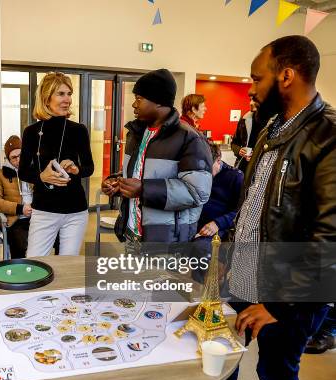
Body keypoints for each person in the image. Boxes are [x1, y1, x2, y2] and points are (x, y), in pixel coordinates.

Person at [205, 35, 335, 380]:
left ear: (287, 75)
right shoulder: (270, 128)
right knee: (221, 362)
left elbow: (328, 238)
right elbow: (251, 204)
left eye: (256, 78)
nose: (251, 89)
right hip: (243, 275)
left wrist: (279, 305)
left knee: (277, 375)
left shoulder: (328, 134)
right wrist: (229, 250)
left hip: (289, 295)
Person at [101, 69, 213, 254]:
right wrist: (117, 182)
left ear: (159, 101)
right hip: (132, 234)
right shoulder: (136, 133)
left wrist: (144, 189)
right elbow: (138, 173)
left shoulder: (190, 138)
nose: (134, 104)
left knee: (161, 283)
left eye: (139, 98)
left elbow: (197, 192)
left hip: (166, 241)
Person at [18, 72, 94, 257]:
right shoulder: (31, 132)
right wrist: (41, 176)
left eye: (69, 94)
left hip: (76, 211)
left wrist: (76, 169)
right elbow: (23, 172)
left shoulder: (79, 130)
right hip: (44, 210)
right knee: (35, 263)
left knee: (67, 268)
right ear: (46, 97)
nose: (67, 99)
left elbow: (89, 168)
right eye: (61, 94)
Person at [189, 142, 243, 283]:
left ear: (218, 160)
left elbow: (241, 211)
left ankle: (206, 291)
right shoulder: (195, 171)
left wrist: (218, 223)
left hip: (219, 227)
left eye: (207, 169)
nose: (203, 174)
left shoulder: (235, 177)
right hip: (194, 223)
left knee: (201, 249)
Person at [0, 135, 33, 258]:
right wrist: (20, 209)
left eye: (20, 155)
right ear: (8, 159)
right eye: (14, 157)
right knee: (19, 243)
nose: (18, 160)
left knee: (57, 235)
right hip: (15, 220)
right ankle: (19, 273)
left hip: (38, 216)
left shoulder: (33, 170)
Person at [230, 99, 269, 173]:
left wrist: (256, 157)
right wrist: (239, 150)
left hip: (262, 170)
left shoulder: (273, 123)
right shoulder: (244, 120)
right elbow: (234, 143)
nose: (250, 103)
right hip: (243, 170)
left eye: (254, 100)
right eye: (250, 99)